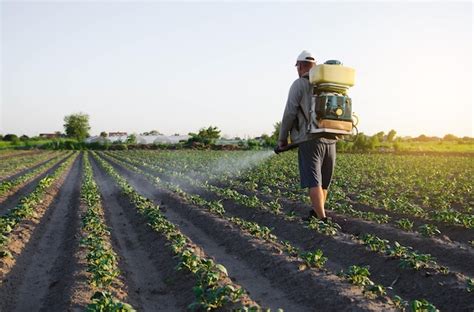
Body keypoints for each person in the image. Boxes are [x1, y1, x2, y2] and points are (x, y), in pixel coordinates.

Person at [278, 50, 337, 222]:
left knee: (313, 181)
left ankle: (322, 219)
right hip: (331, 138)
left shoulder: (299, 84)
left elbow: (290, 113)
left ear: (301, 66)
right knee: (323, 182)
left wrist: (283, 138)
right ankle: (316, 213)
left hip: (310, 138)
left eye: (297, 66)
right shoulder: (327, 84)